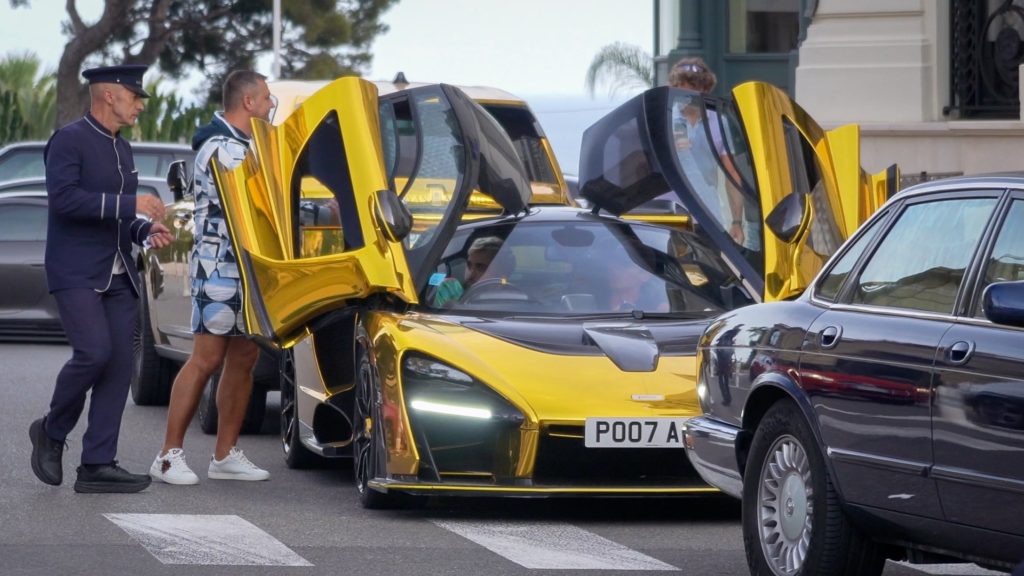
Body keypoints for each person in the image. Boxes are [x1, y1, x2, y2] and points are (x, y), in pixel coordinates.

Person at [29, 64, 174, 494]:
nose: (140, 105)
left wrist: (145, 229)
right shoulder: (68, 141)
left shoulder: (122, 149)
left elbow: (118, 218)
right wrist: (130, 202)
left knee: (118, 366)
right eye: (135, 97)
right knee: (93, 353)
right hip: (74, 271)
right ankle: (52, 432)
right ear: (109, 95)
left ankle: (96, 464)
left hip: (118, 273)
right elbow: (65, 200)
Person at [149, 70, 275, 485]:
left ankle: (224, 456)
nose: (271, 105)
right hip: (219, 268)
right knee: (206, 359)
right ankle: (167, 457)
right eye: (267, 98)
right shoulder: (223, 149)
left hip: (245, 270)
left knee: (244, 358)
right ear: (248, 103)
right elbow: (259, 201)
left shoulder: (244, 144)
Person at [667, 57, 755, 250]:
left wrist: (736, 222)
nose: (688, 93)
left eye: (695, 87)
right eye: (682, 87)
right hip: (670, 214)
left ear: (706, 90)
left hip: (707, 211)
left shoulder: (718, 121)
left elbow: (731, 174)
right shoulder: (665, 118)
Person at [432, 236, 514, 306]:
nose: (471, 273)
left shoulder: (515, 298)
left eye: (481, 267)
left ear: (502, 272)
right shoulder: (449, 289)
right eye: (469, 265)